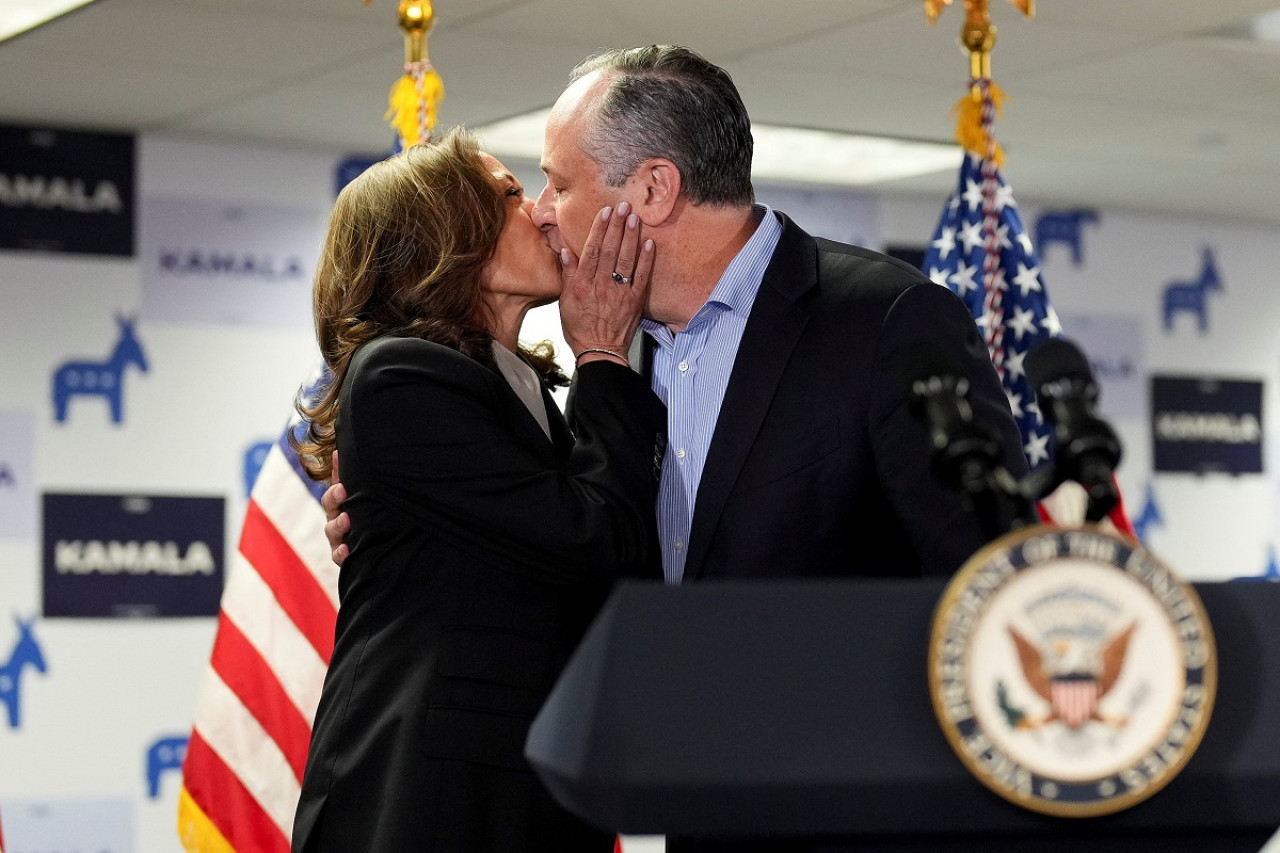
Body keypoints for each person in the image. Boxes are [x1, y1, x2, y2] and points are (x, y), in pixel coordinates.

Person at [323, 46, 1032, 851]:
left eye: (557, 183)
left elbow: (996, 586)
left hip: (864, 820)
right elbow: (585, 542)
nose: (547, 211)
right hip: (679, 816)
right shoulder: (619, 364)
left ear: (653, 190)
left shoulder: (884, 321)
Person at [289, 127, 666, 853]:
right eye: (512, 195)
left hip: (522, 791)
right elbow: (594, 541)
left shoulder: (518, 386)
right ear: (444, 236)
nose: (546, 213)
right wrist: (603, 357)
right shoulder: (398, 374)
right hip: (426, 803)